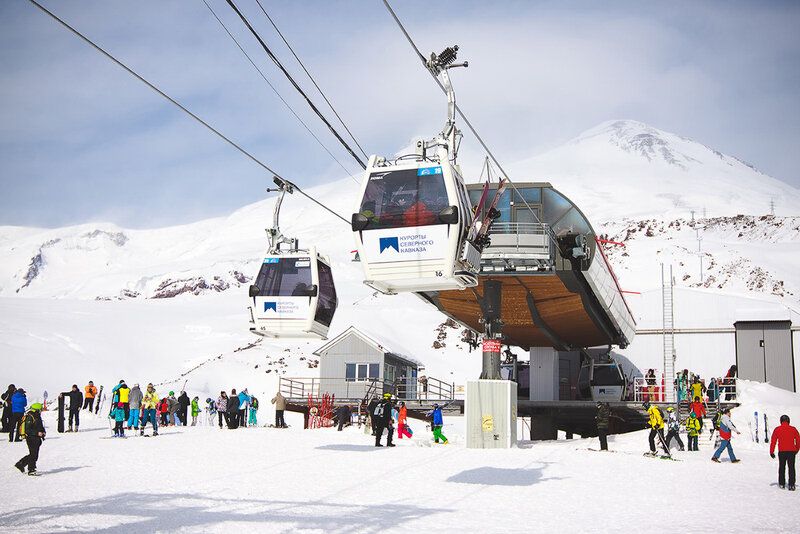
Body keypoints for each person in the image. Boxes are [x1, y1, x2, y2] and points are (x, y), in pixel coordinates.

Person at [769, 414, 800, 490]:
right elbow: (798, 441)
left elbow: (773, 441)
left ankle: (782, 483)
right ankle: (792, 485)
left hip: (782, 451)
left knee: (782, 467)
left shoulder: (777, 429)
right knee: (791, 468)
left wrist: (771, 451)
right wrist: (796, 450)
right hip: (791, 451)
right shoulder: (793, 429)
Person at [14, 402, 45, 476]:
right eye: (40, 409)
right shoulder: (30, 417)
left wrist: (43, 432)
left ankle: (21, 464)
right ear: (36, 410)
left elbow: (40, 426)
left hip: (36, 438)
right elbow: (28, 430)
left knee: (34, 454)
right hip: (31, 438)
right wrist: (37, 433)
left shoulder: (37, 416)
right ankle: (31, 469)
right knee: (33, 454)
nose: (41, 411)